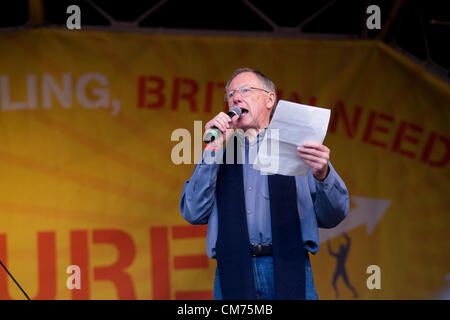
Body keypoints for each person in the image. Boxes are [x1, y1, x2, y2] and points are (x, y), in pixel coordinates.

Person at [180, 67, 349, 300]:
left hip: (288, 264)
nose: (236, 98)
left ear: (270, 99)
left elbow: (334, 215)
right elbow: (192, 212)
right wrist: (213, 149)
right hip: (234, 268)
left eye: (245, 90)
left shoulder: (297, 146)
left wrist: (323, 174)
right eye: (231, 95)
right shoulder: (221, 152)